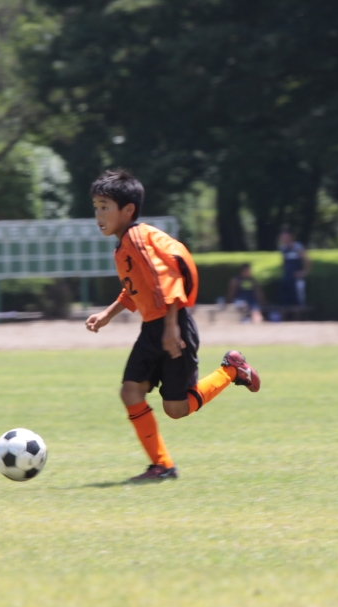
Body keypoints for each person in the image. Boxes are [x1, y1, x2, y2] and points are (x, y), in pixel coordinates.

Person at [85, 169, 262, 482]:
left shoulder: (137, 239)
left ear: (128, 210)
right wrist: (108, 314)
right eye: (96, 207)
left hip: (173, 323)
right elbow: (136, 288)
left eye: (105, 207)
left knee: (176, 409)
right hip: (153, 328)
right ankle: (162, 466)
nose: (98, 215)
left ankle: (232, 370)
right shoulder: (124, 245)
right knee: (130, 391)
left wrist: (171, 328)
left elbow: (165, 278)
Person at [278, 229, 310, 307]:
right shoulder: (283, 249)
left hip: (297, 278)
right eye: (282, 238)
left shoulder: (298, 247)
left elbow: (307, 260)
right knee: (286, 299)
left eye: (286, 237)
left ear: (290, 237)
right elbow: (284, 262)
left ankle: (300, 314)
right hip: (287, 277)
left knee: (299, 300)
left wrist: (304, 272)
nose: (284, 239)